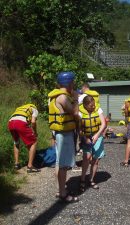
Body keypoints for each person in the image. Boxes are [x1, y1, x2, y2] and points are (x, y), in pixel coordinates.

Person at [48, 71, 79, 203]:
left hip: (59, 133)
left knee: (59, 163)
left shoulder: (55, 96)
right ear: (69, 83)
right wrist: (77, 98)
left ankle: (60, 189)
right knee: (63, 165)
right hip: (64, 135)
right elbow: (75, 112)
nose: (74, 84)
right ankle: (62, 193)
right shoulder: (63, 98)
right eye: (73, 81)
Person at [79, 95, 106, 192]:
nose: (93, 107)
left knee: (96, 159)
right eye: (91, 106)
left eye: (94, 105)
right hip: (86, 136)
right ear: (85, 105)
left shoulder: (98, 110)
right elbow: (79, 128)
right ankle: (82, 179)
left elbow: (103, 124)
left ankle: (91, 180)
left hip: (97, 135)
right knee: (87, 158)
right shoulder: (80, 113)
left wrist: (97, 135)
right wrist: (85, 138)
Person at [8, 104, 40, 173]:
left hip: (10, 122)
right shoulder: (34, 109)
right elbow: (33, 122)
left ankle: (16, 164)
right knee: (33, 142)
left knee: (16, 141)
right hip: (20, 123)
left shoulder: (20, 108)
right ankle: (30, 166)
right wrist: (35, 132)